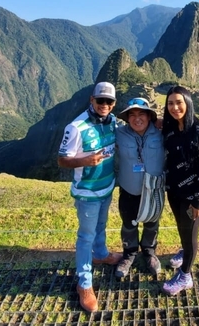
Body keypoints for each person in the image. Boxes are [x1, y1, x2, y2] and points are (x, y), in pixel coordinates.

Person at [57, 82, 122, 313]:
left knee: (101, 225)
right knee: (85, 236)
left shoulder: (112, 122)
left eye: (109, 102)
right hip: (86, 193)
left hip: (106, 187)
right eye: (100, 100)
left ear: (113, 104)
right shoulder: (76, 127)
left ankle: (101, 254)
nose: (105, 105)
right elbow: (62, 160)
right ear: (92, 100)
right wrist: (85, 161)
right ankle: (84, 283)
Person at [161, 86, 199, 296]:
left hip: (195, 194)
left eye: (179, 103)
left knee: (191, 234)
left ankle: (185, 276)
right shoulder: (171, 128)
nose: (175, 108)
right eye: (171, 103)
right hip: (175, 191)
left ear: (188, 103)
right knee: (182, 227)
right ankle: (185, 253)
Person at [115, 97, 166, 278]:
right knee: (128, 223)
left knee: (152, 223)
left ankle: (149, 252)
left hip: (154, 189)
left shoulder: (162, 132)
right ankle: (129, 254)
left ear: (149, 116)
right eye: (133, 115)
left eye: (142, 114)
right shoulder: (118, 133)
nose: (137, 118)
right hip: (129, 189)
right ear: (127, 118)